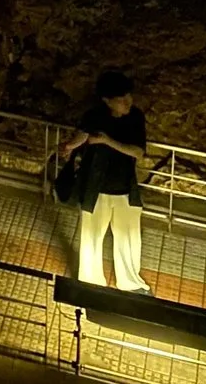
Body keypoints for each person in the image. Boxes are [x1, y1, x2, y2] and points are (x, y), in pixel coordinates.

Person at [58, 69, 150, 292]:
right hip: (96, 187)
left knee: (128, 237)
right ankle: (90, 282)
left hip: (124, 187)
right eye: (121, 98)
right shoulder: (95, 116)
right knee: (91, 236)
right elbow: (82, 135)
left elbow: (138, 152)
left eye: (129, 96)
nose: (128, 102)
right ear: (107, 100)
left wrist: (107, 141)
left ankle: (130, 282)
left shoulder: (135, 117)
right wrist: (69, 147)